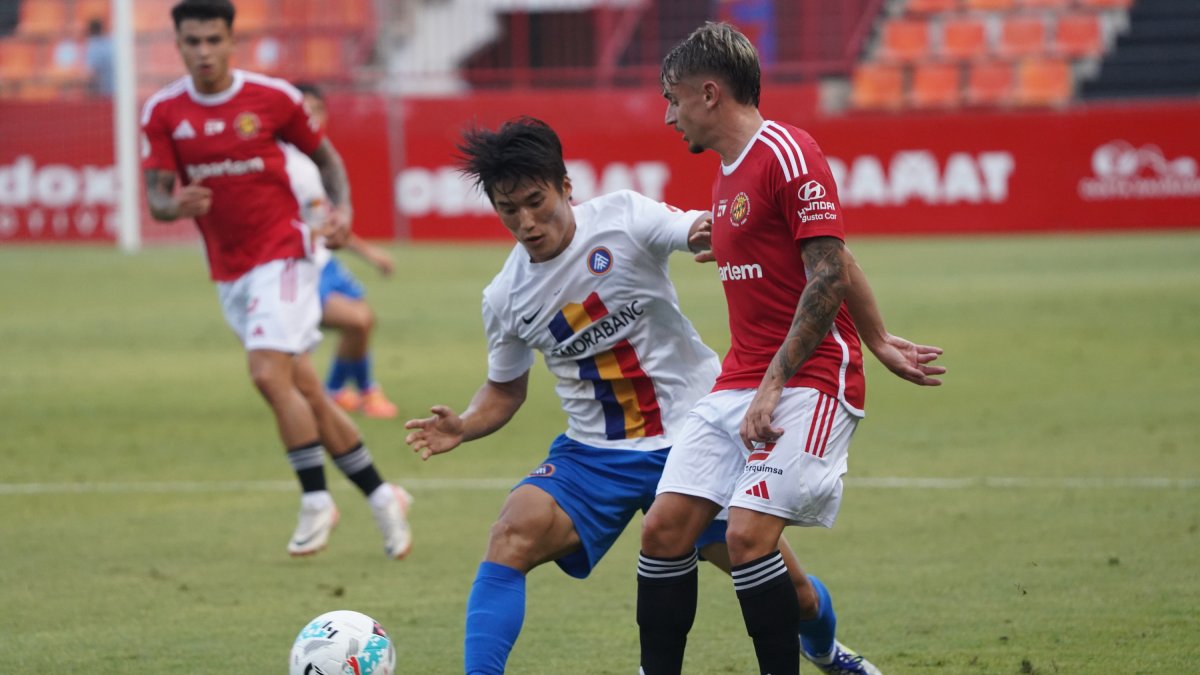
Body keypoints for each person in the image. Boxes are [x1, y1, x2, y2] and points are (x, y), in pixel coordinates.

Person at [403, 117, 940, 674]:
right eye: (508, 210)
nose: (527, 222)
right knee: (509, 535)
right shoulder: (505, 297)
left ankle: (827, 652)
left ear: (566, 186)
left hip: (695, 433)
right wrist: (465, 424)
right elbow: (505, 388)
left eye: (537, 201)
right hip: (596, 454)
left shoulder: (625, 218)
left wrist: (722, 231)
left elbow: (693, 229)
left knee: (794, 593)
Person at [637, 22, 944, 675]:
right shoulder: (725, 176)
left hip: (811, 379)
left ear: (710, 93)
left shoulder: (788, 151)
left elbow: (828, 268)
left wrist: (856, 349)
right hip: (737, 382)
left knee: (747, 537)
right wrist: (882, 334)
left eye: (674, 98)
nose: (668, 115)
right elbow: (833, 255)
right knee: (664, 530)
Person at [140, 0, 412, 560]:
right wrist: (175, 206)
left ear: (231, 40)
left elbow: (328, 159)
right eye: (193, 42)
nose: (204, 52)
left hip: (286, 255)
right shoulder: (163, 113)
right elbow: (156, 199)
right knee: (305, 391)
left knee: (267, 374)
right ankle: (384, 496)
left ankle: (316, 500)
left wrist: (342, 213)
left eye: (213, 40)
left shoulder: (273, 99)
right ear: (179, 44)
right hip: (231, 270)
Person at [285, 83, 400, 419]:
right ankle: (358, 391)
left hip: (324, 262)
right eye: (302, 109)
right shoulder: (282, 163)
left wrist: (370, 254)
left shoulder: (322, 160)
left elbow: (330, 223)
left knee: (363, 321)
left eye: (316, 109)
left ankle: (342, 391)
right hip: (297, 266)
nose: (309, 116)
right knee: (358, 321)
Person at [84, 17, 114, 97]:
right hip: (117, 90)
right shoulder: (111, 42)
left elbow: (91, 74)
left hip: (104, 93)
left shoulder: (94, 45)